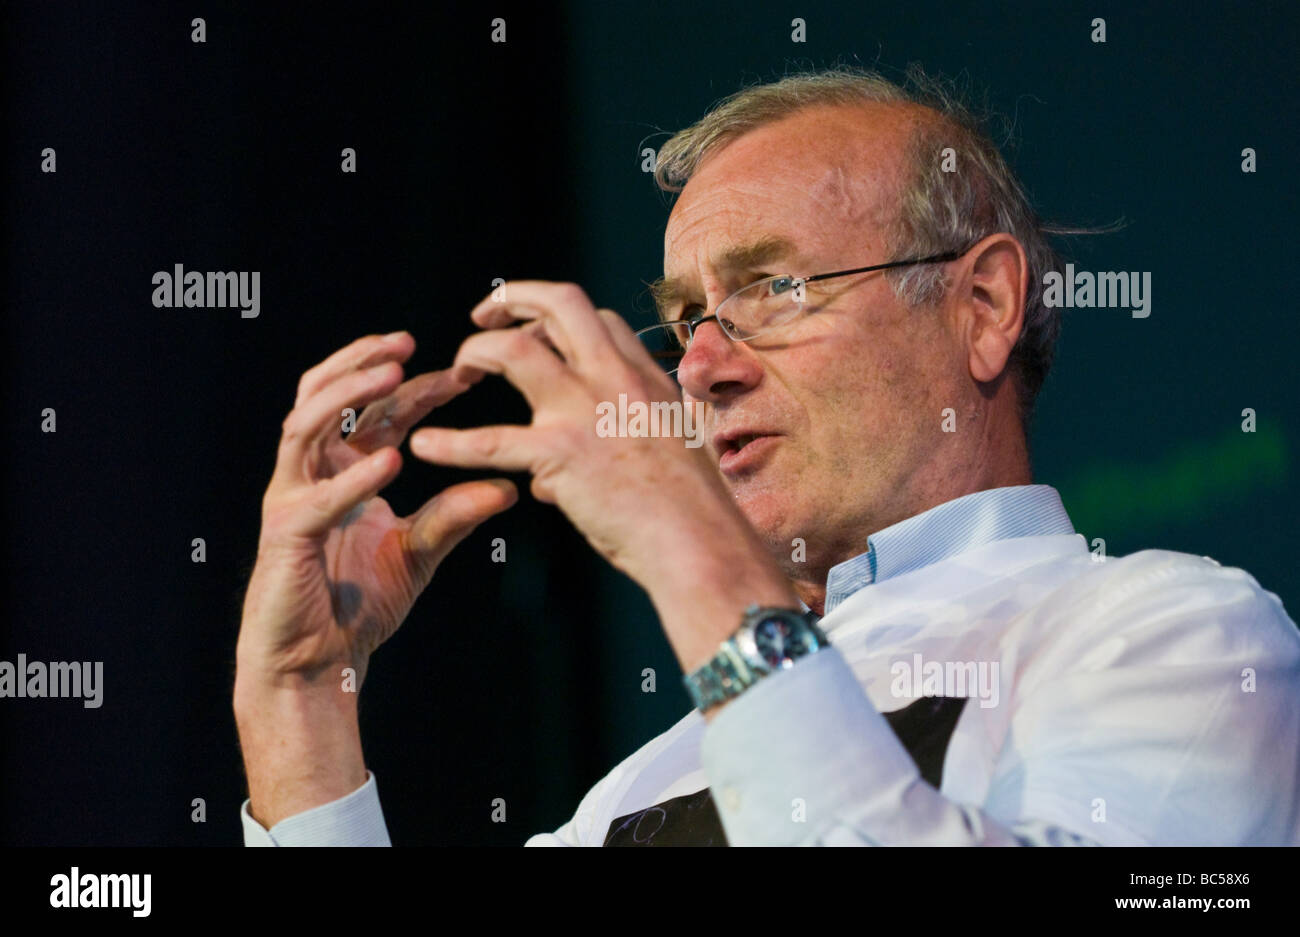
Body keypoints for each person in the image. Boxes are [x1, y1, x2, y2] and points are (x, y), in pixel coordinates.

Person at [234, 67, 1300, 846]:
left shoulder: (1174, 636)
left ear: (981, 306)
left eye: (775, 289)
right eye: (685, 315)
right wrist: (300, 708)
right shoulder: (629, 795)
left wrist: (691, 553)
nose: (698, 367)